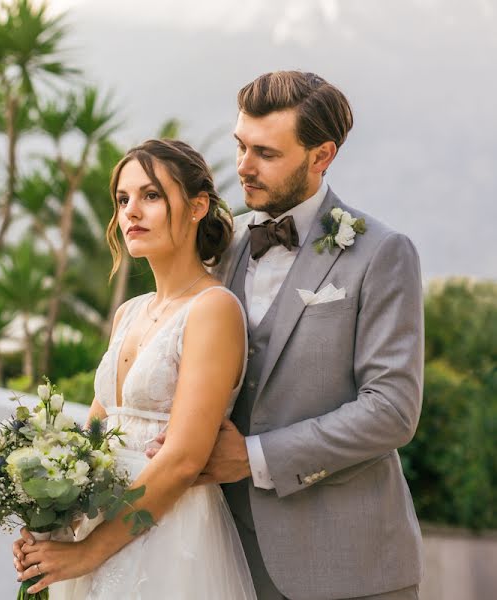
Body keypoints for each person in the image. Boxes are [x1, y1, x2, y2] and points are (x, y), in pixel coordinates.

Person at [155, 71, 425, 599]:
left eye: (266, 153)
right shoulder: (223, 245)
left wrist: (254, 456)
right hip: (223, 559)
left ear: (321, 156)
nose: (243, 168)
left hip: (350, 568)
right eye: (239, 146)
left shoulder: (382, 253)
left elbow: (391, 409)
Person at [13, 138, 258, 598]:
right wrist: (50, 524)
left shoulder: (213, 309)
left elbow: (185, 460)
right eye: (123, 199)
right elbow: (92, 440)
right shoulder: (128, 312)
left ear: (197, 206)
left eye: (150, 196)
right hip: (96, 532)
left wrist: (91, 552)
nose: (130, 212)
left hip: (168, 534)